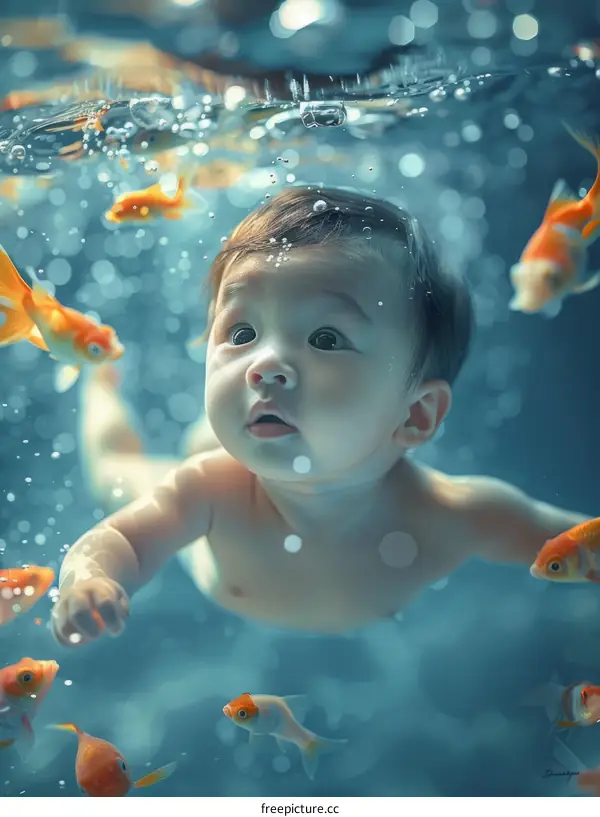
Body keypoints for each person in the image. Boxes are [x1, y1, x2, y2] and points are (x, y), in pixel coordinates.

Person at [51, 186, 588, 646]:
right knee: (113, 468)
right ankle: (101, 382)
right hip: (218, 492)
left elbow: (581, 543)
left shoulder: (455, 513)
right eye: (242, 334)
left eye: (325, 338)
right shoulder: (207, 493)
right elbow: (116, 542)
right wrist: (88, 579)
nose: (265, 365)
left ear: (417, 415)